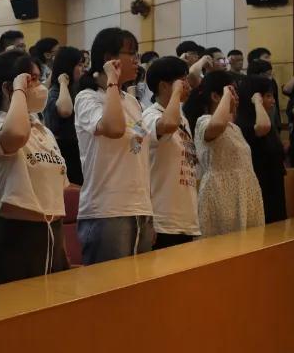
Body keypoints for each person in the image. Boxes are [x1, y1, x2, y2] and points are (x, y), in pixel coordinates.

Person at [0, 49, 69, 287]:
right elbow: (16, 134)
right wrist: (18, 90)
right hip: (15, 240)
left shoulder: (43, 131)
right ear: (8, 88)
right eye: (31, 80)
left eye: (38, 78)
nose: (39, 86)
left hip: (53, 235)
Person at [74, 28, 154, 264]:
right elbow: (115, 128)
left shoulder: (132, 102)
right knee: (110, 284)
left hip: (140, 207)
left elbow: (138, 143)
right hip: (107, 210)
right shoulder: (87, 97)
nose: (137, 61)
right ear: (110, 58)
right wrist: (111, 80)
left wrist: (148, 209)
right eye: (132, 54)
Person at [189, 71, 265, 237]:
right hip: (221, 193)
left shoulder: (235, 128)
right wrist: (226, 95)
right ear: (215, 96)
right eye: (232, 92)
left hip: (244, 191)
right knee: (224, 246)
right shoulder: (203, 121)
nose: (236, 97)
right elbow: (217, 124)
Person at [141, 56, 200, 249]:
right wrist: (176, 93)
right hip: (163, 220)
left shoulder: (182, 117)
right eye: (182, 80)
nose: (187, 85)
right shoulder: (150, 115)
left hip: (185, 219)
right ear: (164, 86)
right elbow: (168, 124)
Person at [236, 75, 287, 223]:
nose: (273, 101)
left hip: (274, 182)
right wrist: (257, 102)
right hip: (259, 183)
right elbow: (262, 128)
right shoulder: (245, 123)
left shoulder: (265, 119)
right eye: (268, 96)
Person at [42, 45, 84, 186]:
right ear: (68, 66)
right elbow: (65, 111)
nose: (82, 68)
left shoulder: (77, 88)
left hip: (77, 148)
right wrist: (63, 83)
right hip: (62, 150)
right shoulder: (56, 90)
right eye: (79, 65)